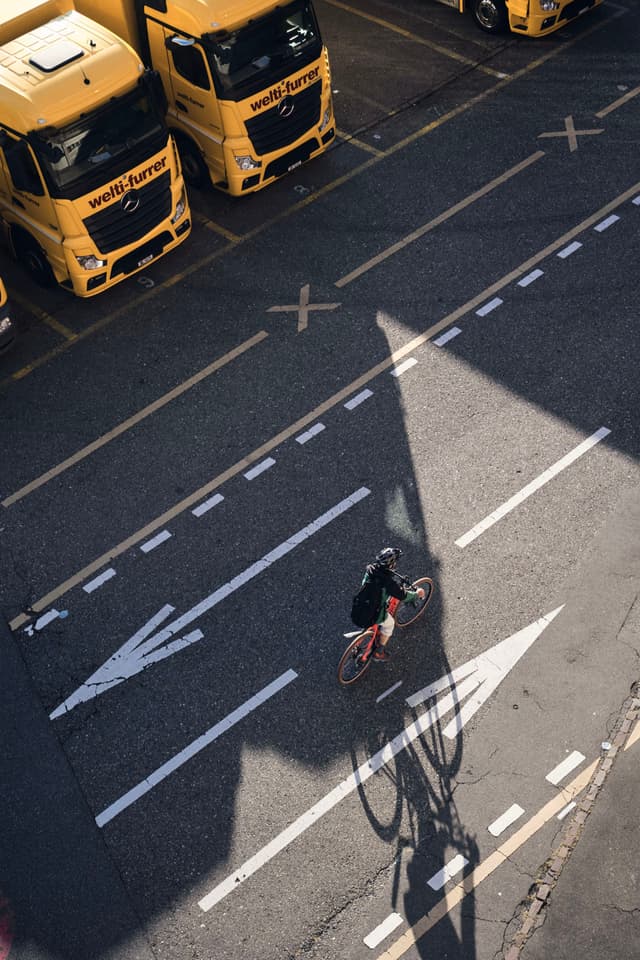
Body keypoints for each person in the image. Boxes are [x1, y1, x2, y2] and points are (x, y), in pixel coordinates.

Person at [364, 547, 424, 661]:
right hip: (375, 611)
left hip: (362, 603)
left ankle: (366, 636)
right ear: (390, 565)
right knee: (389, 625)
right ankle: (378, 653)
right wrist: (417, 594)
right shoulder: (389, 584)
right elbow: (404, 596)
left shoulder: (370, 570)